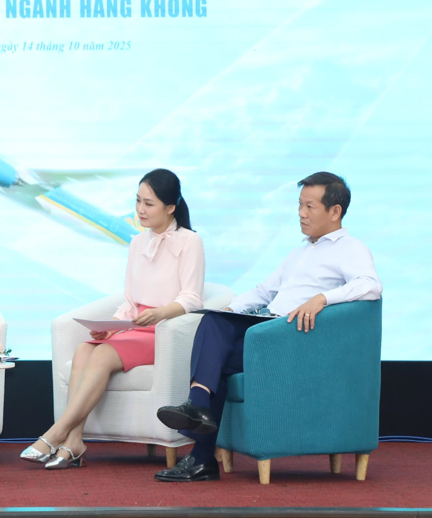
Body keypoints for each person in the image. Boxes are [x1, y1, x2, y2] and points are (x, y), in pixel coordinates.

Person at [153, 171, 382, 483]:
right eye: (299, 204)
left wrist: (322, 299)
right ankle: (201, 447)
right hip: (269, 337)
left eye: (310, 206)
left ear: (335, 211)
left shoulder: (350, 248)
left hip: (299, 341)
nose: (301, 213)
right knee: (213, 325)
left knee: (216, 344)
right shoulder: (299, 252)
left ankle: (199, 424)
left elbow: (371, 286)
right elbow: (264, 291)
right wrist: (231, 308)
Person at [22, 169, 205, 470]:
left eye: (149, 204)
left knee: (103, 355)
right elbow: (130, 301)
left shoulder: (190, 241)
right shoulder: (137, 242)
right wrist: (112, 327)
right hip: (138, 326)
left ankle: (56, 433)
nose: (140, 210)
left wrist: (159, 313)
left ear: (171, 207)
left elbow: (193, 298)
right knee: (84, 349)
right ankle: (74, 442)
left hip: (165, 329)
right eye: (138, 201)